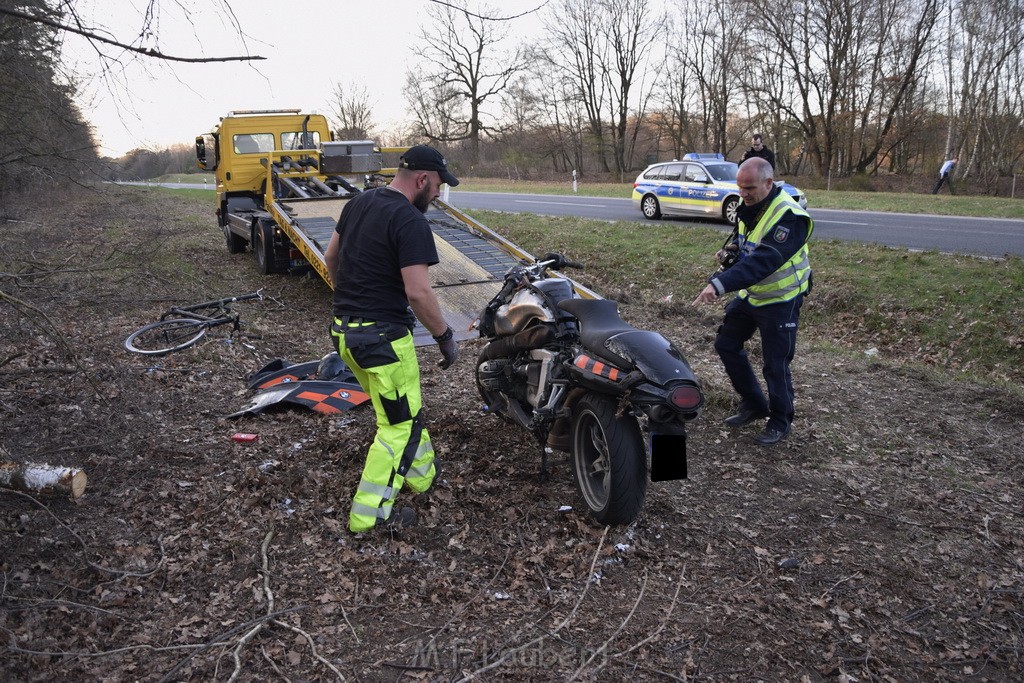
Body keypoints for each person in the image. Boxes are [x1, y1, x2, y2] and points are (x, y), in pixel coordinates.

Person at [324, 144, 460, 533]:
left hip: (346, 335)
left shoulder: (359, 203)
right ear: (422, 179)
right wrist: (445, 336)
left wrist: (351, 299)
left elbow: (332, 257)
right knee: (397, 425)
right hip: (383, 342)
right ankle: (369, 516)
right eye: (436, 186)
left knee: (402, 410)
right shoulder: (410, 221)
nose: (437, 194)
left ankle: (422, 477)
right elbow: (418, 292)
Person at [692, 157, 813, 446]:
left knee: (775, 362)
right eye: (740, 187)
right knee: (726, 343)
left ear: (769, 183)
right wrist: (731, 252)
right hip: (754, 294)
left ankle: (781, 421)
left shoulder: (790, 216)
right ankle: (755, 404)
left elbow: (764, 260)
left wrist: (720, 284)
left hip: (782, 298)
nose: (743, 194)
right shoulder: (749, 208)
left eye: (749, 188)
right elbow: (746, 245)